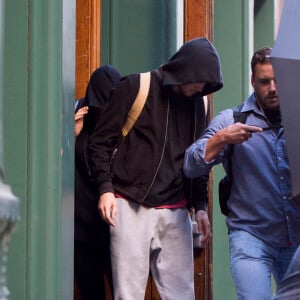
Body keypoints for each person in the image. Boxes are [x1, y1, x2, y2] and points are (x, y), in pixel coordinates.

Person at [88, 37, 223, 300]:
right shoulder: (135, 87)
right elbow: (100, 143)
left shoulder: (199, 103)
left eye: (207, 84)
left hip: (175, 211)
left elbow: (198, 160)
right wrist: (106, 189)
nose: (202, 87)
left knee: (182, 294)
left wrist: (201, 207)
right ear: (185, 69)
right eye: (199, 80)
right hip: (129, 204)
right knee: (128, 294)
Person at [183, 46, 300, 300]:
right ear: (252, 82)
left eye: (278, 80)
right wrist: (221, 139)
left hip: (296, 238)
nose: (273, 88)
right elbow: (190, 165)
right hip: (252, 238)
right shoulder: (232, 120)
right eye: (264, 81)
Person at [74, 65, 121, 300]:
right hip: (83, 228)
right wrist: (70, 134)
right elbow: (53, 169)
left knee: (124, 291)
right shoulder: (79, 117)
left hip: (116, 225)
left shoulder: (124, 124)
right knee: (91, 293)